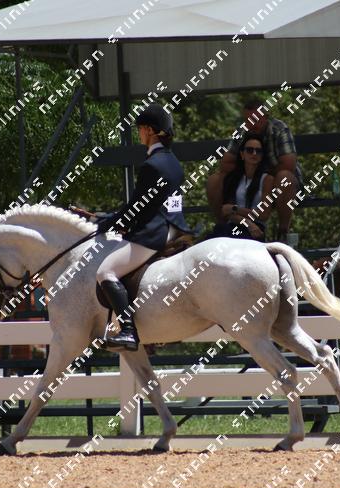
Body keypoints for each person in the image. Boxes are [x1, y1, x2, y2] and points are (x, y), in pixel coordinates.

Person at [96, 103, 190, 351]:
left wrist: (106, 224)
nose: (139, 134)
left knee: (105, 272)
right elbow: (160, 204)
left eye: (139, 129)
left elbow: (138, 207)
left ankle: (128, 330)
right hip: (175, 227)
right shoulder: (173, 162)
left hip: (155, 232)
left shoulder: (152, 164)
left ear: (148, 130)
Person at [207, 98, 303, 241]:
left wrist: (259, 171)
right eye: (248, 120)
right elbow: (225, 164)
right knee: (214, 180)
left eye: (256, 119)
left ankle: (283, 231)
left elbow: (289, 165)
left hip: (277, 184)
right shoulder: (242, 131)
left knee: (284, 177)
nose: (252, 124)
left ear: (265, 117)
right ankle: (223, 227)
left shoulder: (279, 129)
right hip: (248, 181)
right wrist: (247, 172)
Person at [208, 132, 274, 241]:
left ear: (262, 156)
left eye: (258, 151)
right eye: (249, 150)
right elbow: (225, 211)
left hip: (256, 230)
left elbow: (264, 214)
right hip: (236, 225)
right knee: (216, 234)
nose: (254, 153)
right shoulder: (234, 178)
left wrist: (235, 209)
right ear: (242, 154)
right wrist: (247, 222)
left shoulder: (267, 179)